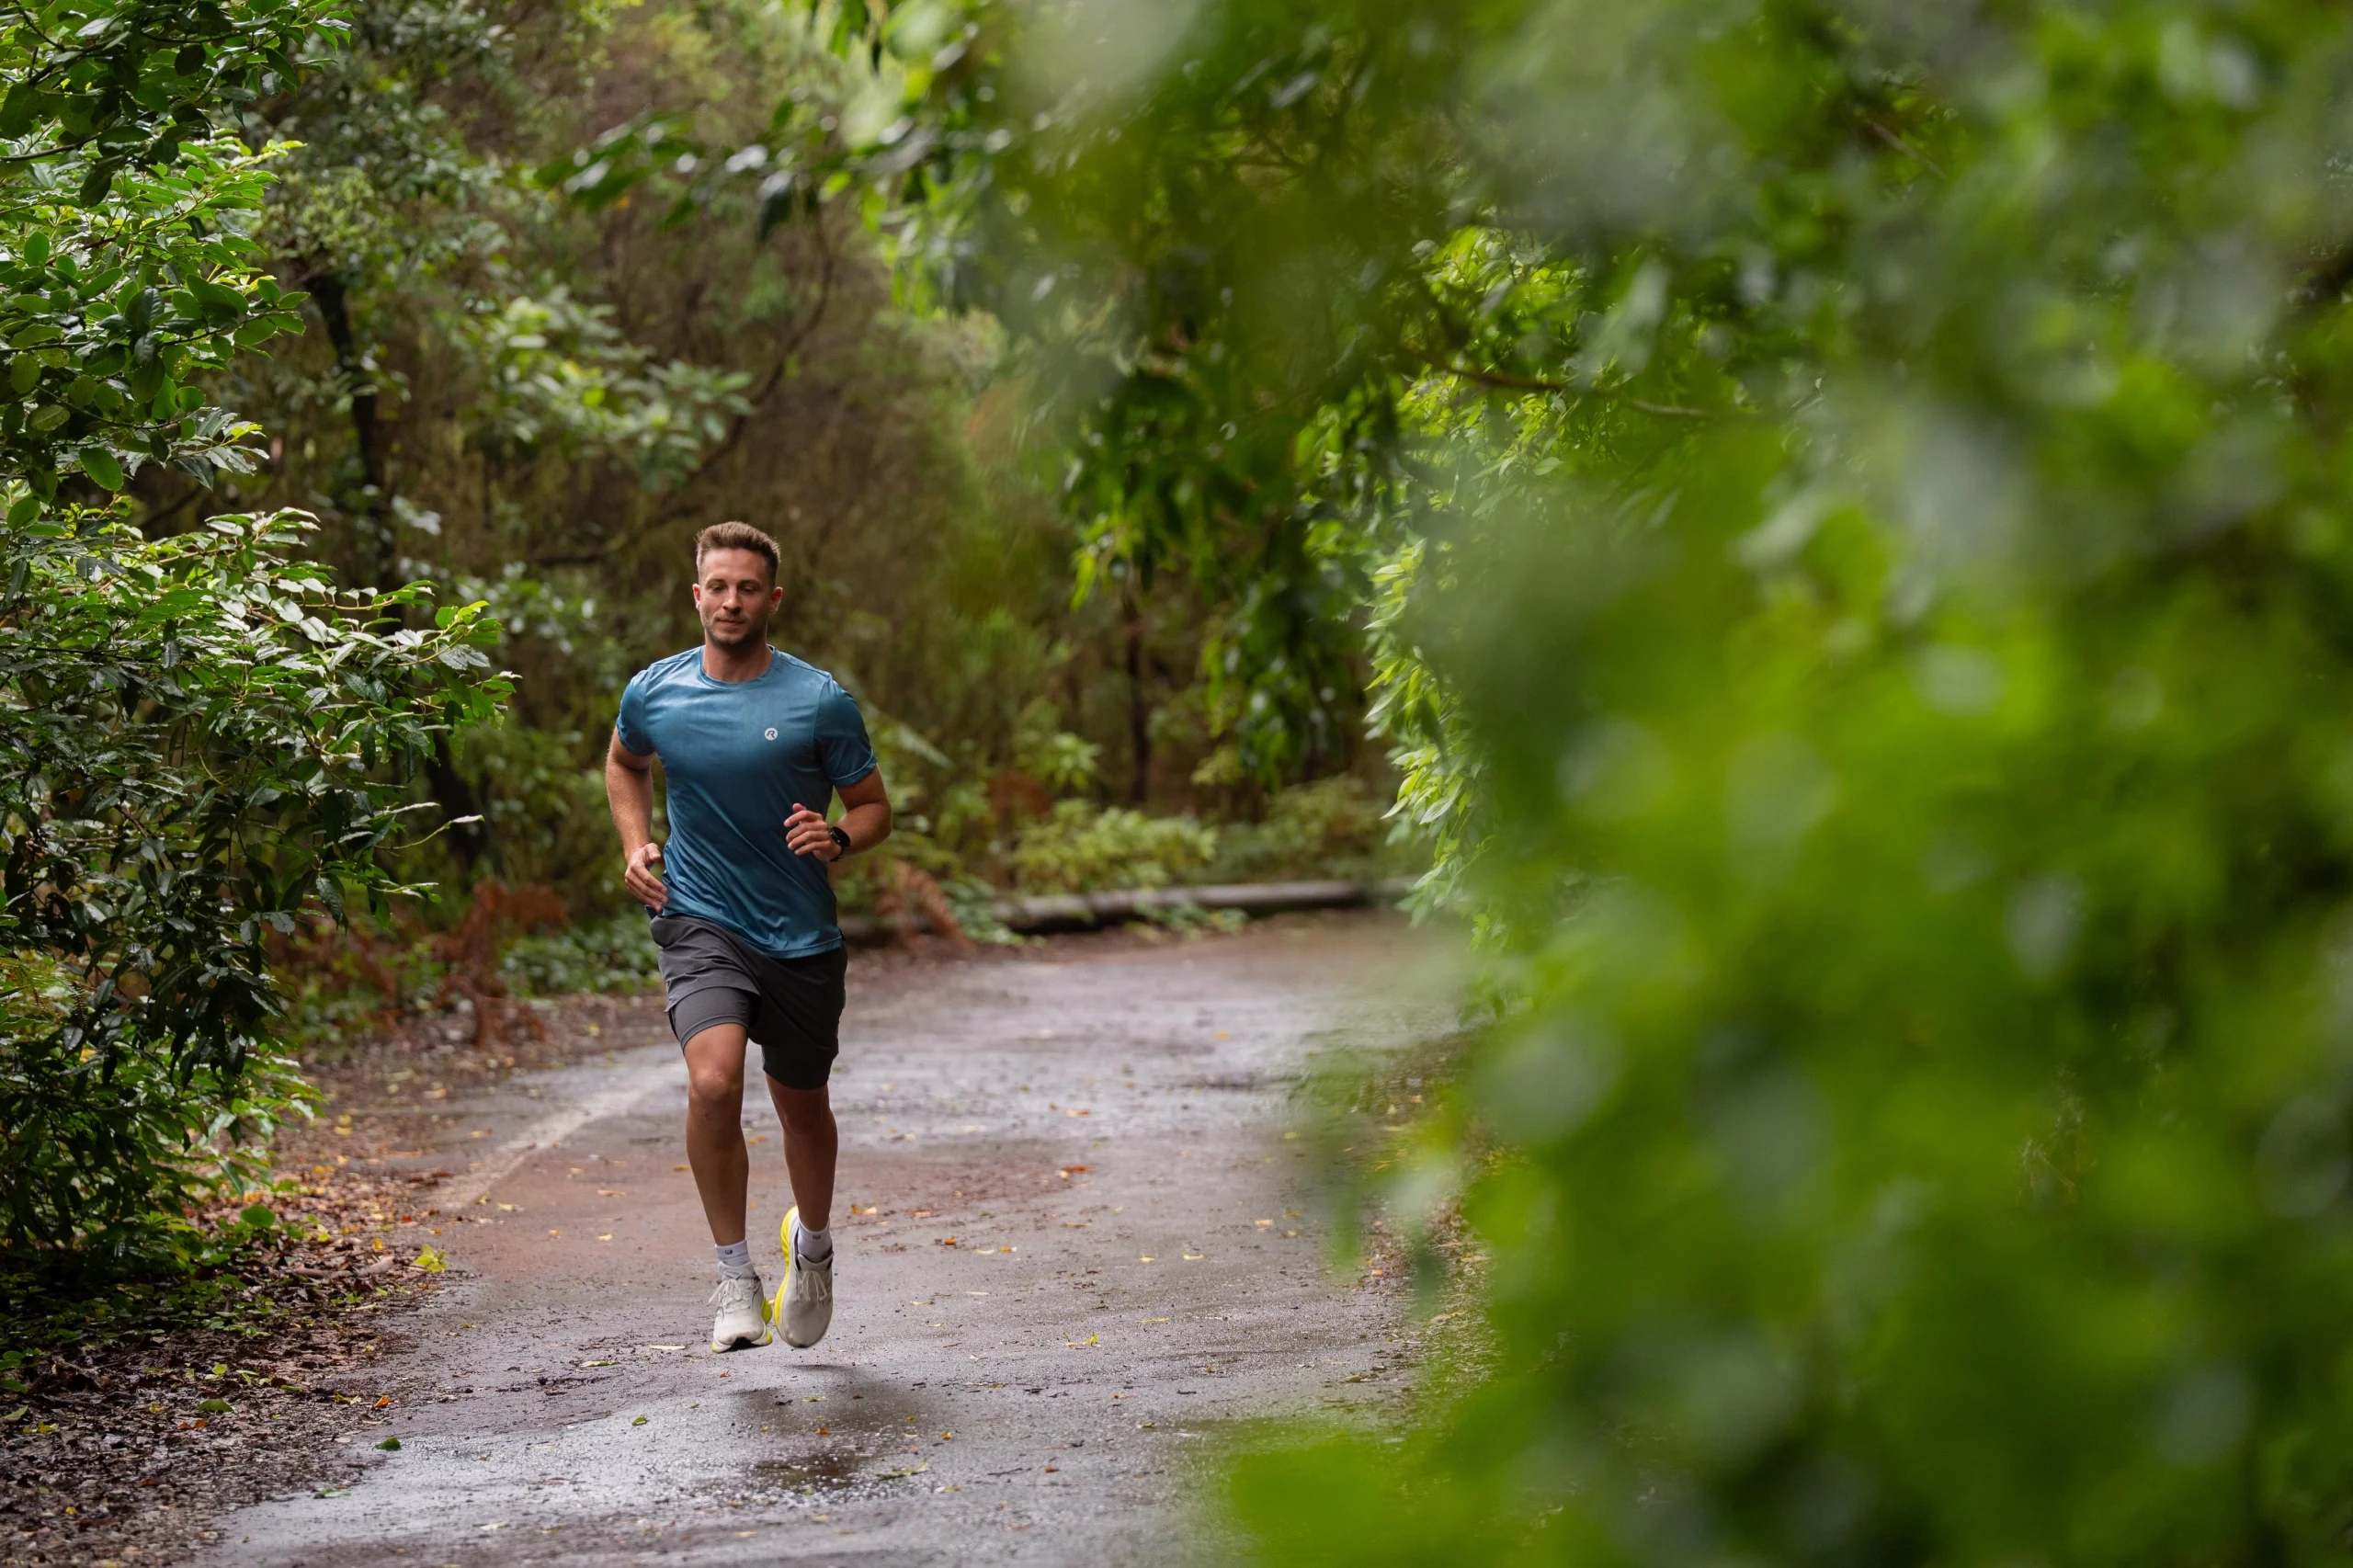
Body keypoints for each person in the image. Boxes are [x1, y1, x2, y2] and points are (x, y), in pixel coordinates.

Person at [605, 520, 892, 1353]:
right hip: (700, 918)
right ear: (698, 595)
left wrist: (839, 837)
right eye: (719, 587)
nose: (732, 601)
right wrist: (635, 844)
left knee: (802, 1107)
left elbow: (874, 806)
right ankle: (734, 1276)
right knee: (713, 1081)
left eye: (748, 588)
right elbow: (624, 762)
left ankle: (814, 1249)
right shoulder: (655, 691)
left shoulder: (818, 701)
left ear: (773, 599)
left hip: (799, 935)